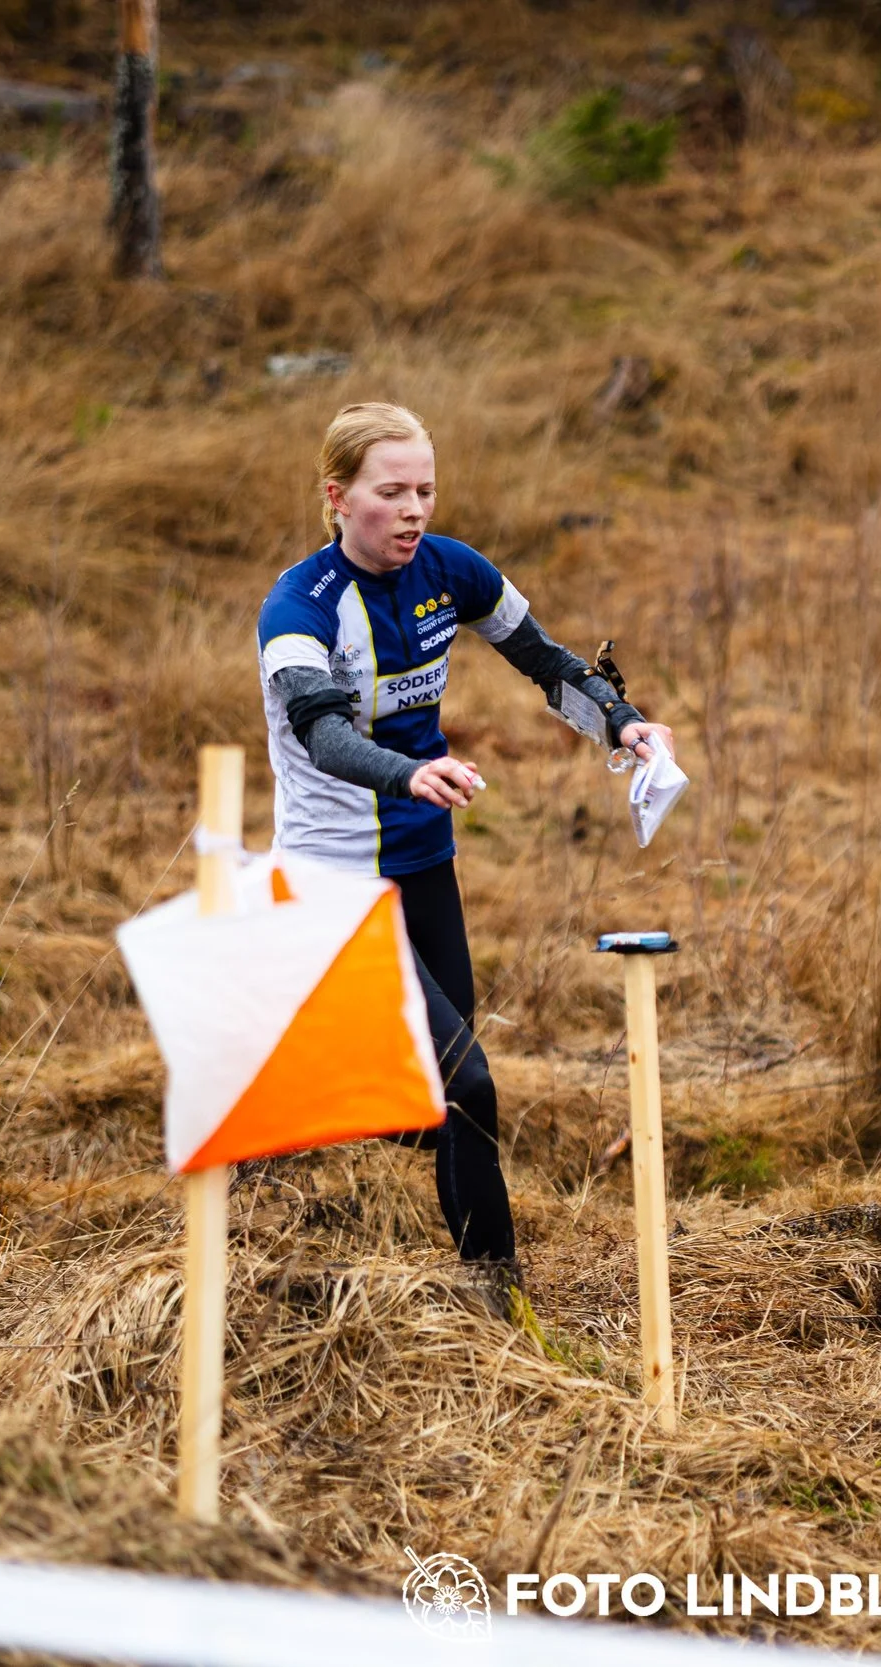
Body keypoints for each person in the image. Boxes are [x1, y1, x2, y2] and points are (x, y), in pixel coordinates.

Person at [255, 402, 671, 1320]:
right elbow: (323, 736)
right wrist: (412, 772)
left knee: (441, 1099)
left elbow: (541, 657)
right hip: (335, 881)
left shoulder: (452, 571)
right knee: (466, 1082)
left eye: (426, 490)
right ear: (338, 497)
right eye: (390, 492)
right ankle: (502, 1303)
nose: (413, 510)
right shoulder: (298, 608)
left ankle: (295, 1103)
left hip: (424, 865)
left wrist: (622, 722)